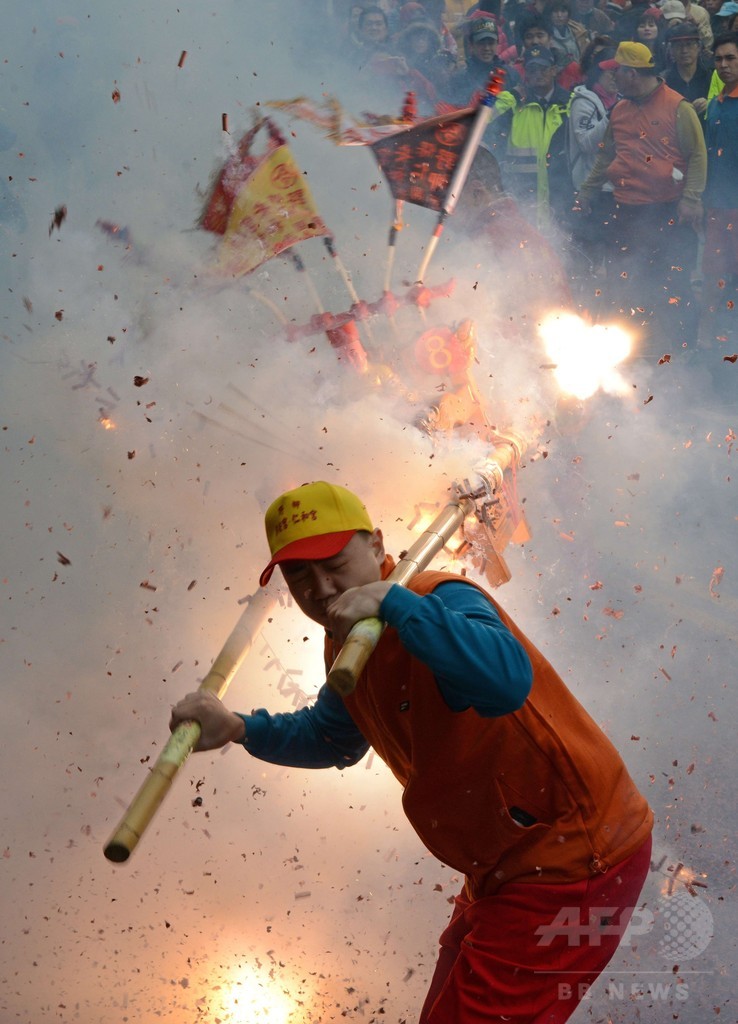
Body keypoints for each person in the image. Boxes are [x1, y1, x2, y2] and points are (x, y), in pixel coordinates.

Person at [170, 479, 654, 1024]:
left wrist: (399, 605)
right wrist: (238, 727)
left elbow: (505, 680)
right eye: (298, 574)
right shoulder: (346, 640)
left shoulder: (437, 596)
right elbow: (333, 736)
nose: (321, 587)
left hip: (575, 859)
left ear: (377, 546)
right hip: (501, 864)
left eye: (334, 561)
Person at [575, 40, 707, 350]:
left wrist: (691, 197)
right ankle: (640, 351)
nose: (612, 78)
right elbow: (606, 156)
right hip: (628, 212)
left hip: (668, 212)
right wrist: (586, 192)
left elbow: (698, 155)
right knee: (629, 282)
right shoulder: (619, 110)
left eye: (616, 72)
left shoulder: (678, 107)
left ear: (632, 74)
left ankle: (683, 350)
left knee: (674, 284)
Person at [493, 44, 572, 230]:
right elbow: (482, 119)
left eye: (543, 69)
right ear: (525, 73)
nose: (538, 74)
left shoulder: (569, 103)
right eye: (532, 69)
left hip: (560, 198)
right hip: (521, 199)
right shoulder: (512, 102)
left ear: (554, 70)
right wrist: (511, 95)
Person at [700, 30, 738, 345]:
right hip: (716, 207)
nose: (723, 65)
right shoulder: (715, 105)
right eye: (718, 59)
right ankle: (717, 347)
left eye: (730, 58)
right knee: (716, 279)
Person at [664, 20, 714, 114]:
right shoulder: (665, 80)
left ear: (699, 47)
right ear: (671, 50)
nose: (684, 51)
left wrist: (710, 104)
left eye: (689, 44)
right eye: (679, 46)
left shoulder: (710, 76)